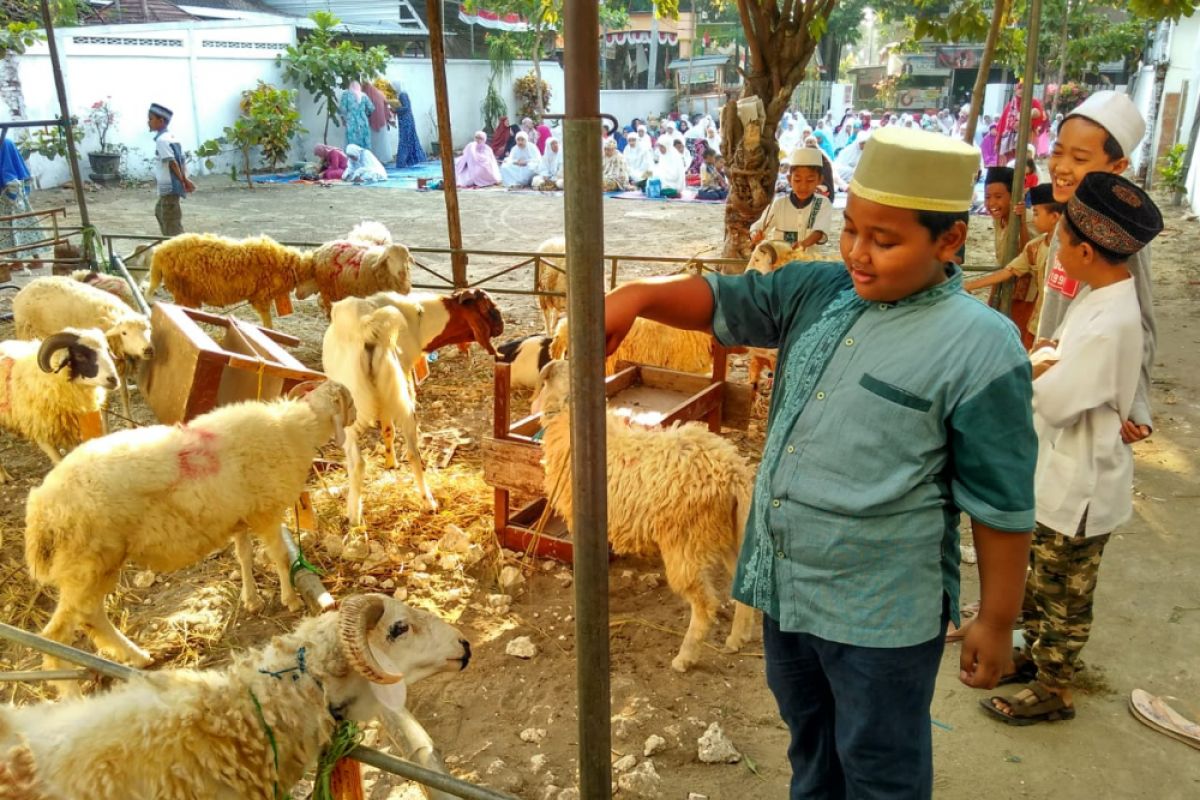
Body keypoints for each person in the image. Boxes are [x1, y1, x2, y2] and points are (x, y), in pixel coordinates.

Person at [603, 125, 1035, 799]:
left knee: (880, 771)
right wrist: (638, 298)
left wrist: (998, 619)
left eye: (884, 241)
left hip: (880, 619)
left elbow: (1002, 503)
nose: (858, 253)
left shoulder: (981, 349)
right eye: (852, 229)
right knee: (811, 755)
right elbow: (725, 300)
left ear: (949, 242)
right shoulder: (819, 291)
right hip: (788, 593)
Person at [982, 172, 1162, 726]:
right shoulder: (1099, 294)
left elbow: (1057, 401)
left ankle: (1056, 685)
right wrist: (1049, 361)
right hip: (1057, 467)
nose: (1056, 249)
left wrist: (1036, 370)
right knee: (1040, 575)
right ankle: (1035, 658)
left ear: (1086, 250)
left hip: (1081, 479)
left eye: (1061, 241)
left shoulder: (1112, 320)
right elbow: (1057, 355)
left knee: (1064, 591)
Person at [1037, 90, 1157, 445]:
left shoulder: (1117, 232)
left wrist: (1137, 406)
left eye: (1079, 157)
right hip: (1053, 367)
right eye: (1057, 151)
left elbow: (1142, 322)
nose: (1061, 167)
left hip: (1088, 391)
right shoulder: (1069, 213)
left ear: (1116, 168)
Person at [965, 183, 1062, 349]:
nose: (1034, 218)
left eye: (1037, 214)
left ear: (1054, 217)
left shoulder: (1067, 251)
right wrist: (969, 285)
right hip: (1037, 320)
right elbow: (1008, 271)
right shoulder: (1035, 246)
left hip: (1056, 321)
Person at [751, 148, 832, 251]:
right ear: (789, 179)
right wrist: (755, 234)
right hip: (782, 261)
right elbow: (759, 226)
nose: (803, 186)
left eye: (810, 180)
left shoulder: (822, 203)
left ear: (820, 180)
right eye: (797, 180)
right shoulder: (779, 204)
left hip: (811, 262)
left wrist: (804, 244)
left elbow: (819, 232)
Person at [147, 102, 194, 236]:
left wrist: (184, 180)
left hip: (169, 187)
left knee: (171, 222)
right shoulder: (172, 137)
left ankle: (177, 247)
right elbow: (182, 161)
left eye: (151, 119)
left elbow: (173, 162)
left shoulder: (162, 140)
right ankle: (171, 243)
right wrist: (185, 179)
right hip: (170, 187)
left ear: (161, 121)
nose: (148, 122)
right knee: (160, 212)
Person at [982, 166, 1030, 267]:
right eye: (987, 197)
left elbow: (1026, 262)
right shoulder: (999, 218)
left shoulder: (1029, 222)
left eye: (998, 197)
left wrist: (1022, 226)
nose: (991, 203)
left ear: (1014, 195)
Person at [394, 86, 427, 168]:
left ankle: (401, 162)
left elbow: (406, 107)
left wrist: (396, 110)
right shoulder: (401, 94)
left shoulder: (402, 95)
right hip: (405, 121)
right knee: (409, 140)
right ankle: (413, 160)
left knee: (404, 141)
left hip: (406, 122)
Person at [339, 81, 374, 152]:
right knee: (364, 141)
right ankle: (364, 160)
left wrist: (343, 119)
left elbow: (343, 109)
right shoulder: (364, 95)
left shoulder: (346, 94)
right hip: (363, 120)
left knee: (352, 142)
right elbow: (371, 108)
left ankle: (352, 160)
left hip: (351, 120)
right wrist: (364, 114)